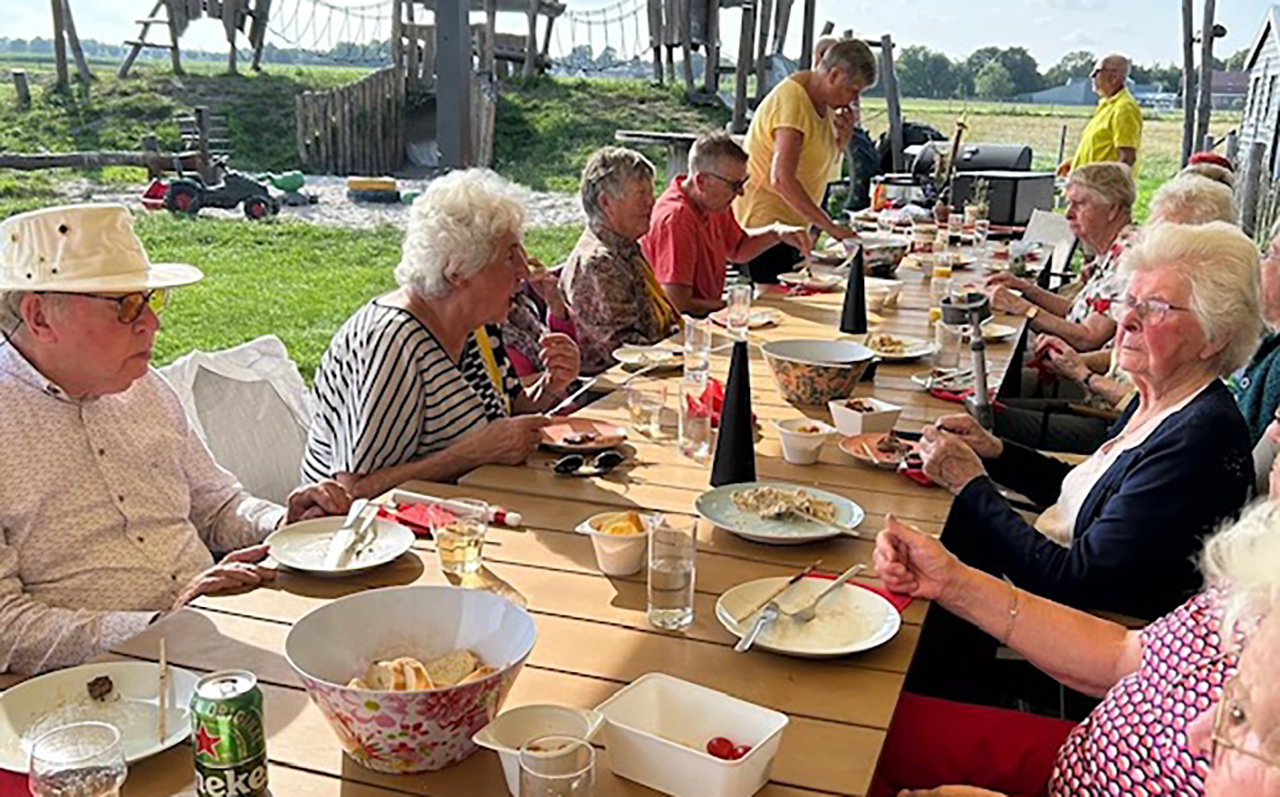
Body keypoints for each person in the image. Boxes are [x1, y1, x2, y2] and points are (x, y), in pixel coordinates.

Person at [0, 204, 352, 675]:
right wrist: (154, 625)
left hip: (218, 634)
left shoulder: (142, 387)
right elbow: (7, 628)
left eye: (150, 300)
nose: (152, 323)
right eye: (126, 305)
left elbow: (219, 507)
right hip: (102, 689)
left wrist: (284, 522)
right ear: (39, 316)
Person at [923, 222, 1258, 623]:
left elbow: (1076, 580)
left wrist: (971, 485)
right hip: (1036, 581)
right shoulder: (1162, 401)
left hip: (1058, 627)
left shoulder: (1201, 439)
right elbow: (1087, 496)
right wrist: (996, 453)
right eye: (1129, 301)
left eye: (1156, 307)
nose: (1128, 320)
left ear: (1215, 335)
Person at [872, 498, 1280, 797]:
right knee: (870, 728)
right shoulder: (1266, 570)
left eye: (1240, 715)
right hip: (1081, 758)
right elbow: (1127, 653)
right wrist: (951, 582)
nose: (1273, 429)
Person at [303, 169, 580, 497]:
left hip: (460, 516)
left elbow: (510, 419)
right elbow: (352, 491)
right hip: (370, 537)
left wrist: (551, 386)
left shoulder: (479, 324)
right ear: (458, 271)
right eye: (509, 256)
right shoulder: (393, 341)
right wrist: (470, 454)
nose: (524, 269)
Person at [994, 173, 1240, 453]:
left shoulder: (1199, 318)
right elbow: (1126, 355)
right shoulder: (1163, 292)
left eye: (1080, 203)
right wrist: (1077, 362)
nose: (1128, 319)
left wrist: (1083, 373)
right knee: (979, 402)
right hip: (1103, 407)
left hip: (1108, 423)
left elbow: (1152, 414)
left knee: (984, 413)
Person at [733, 39, 877, 283]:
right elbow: (781, 179)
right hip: (765, 230)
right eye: (853, 90)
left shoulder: (826, 103)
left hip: (792, 228)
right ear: (834, 75)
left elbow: (818, 170)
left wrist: (842, 141)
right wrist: (829, 226)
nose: (853, 99)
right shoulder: (794, 101)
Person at [641, 132, 812, 316]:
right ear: (702, 181)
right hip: (681, 331)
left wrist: (777, 233)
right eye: (734, 185)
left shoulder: (712, 202)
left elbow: (738, 249)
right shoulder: (678, 217)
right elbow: (678, 304)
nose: (740, 193)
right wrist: (738, 306)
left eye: (743, 183)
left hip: (704, 322)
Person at [987, 163, 1137, 354]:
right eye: (1069, 204)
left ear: (1112, 210)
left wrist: (1022, 308)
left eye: (1080, 204)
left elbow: (1087, 337)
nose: (1068, 214)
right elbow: (1076, 313)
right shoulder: (1113, 249)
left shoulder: (1129, 258)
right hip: (1063, 356)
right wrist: (1027, 290)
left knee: (988, 359)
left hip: (1075, 371)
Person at [559, 146, 682, 375]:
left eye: (651, 192)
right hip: (618, 389)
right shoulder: (599, 263)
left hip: (653, 372)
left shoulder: (625, 249)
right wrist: (685, 352)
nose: (651, 202)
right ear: (606, 202)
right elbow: (626, 349)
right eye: (641, 194)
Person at [1057, 54, 1142, 177]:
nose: (1091, 76)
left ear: (1114, 77)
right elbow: (1101, 149)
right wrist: (1076, 163)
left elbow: (1127, 158)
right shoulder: (1106, 105)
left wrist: (1107, 189)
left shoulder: (1124, 108)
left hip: (1102, 193)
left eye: (1096, 71)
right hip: (1087, 188)